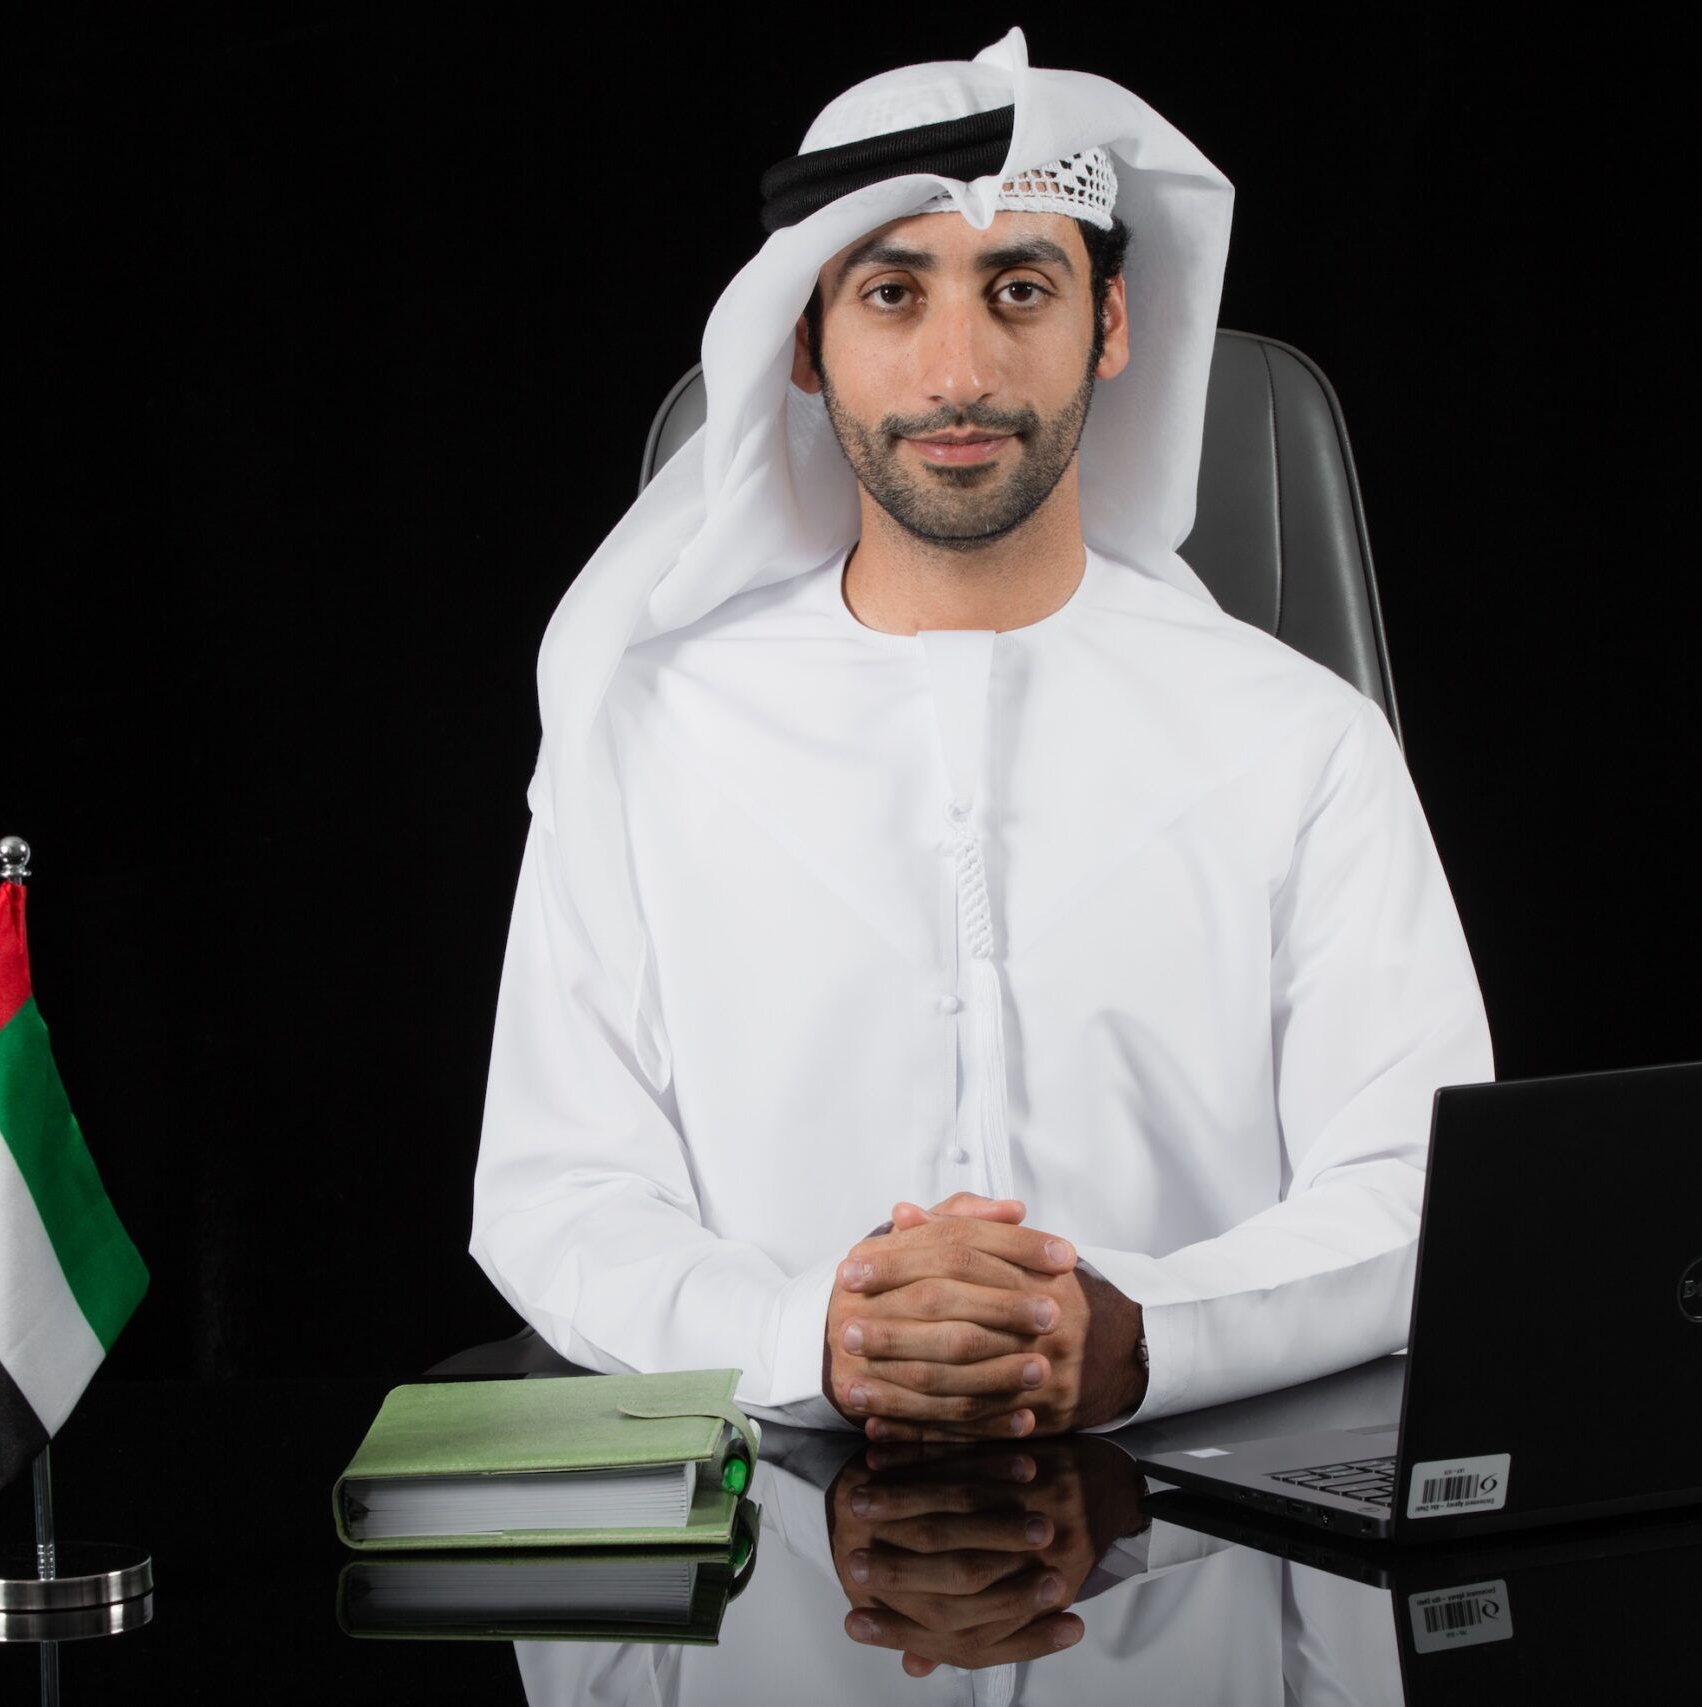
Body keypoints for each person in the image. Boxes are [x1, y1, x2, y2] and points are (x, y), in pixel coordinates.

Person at [470, 29, 1493, 1443]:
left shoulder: (1301, 745)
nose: (960, 369)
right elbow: (554, 1192)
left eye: (1021, 288)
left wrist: (1137, 1335)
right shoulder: (644, 732)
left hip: (1210, 1559)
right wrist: (809, 1335)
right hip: (764, 1555)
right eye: (893, 292)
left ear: (1112, 326)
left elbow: (1419, 1182)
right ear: (808, 349)